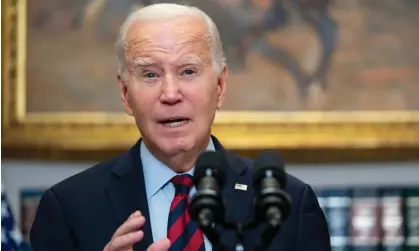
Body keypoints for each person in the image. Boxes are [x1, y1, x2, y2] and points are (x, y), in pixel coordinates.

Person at [29, 3, 330, 251]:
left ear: (221, 85)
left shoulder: (291, 205)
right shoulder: (67, 209)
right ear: (125, 94)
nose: (170, 94)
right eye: (149, 75)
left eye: (188, 71)